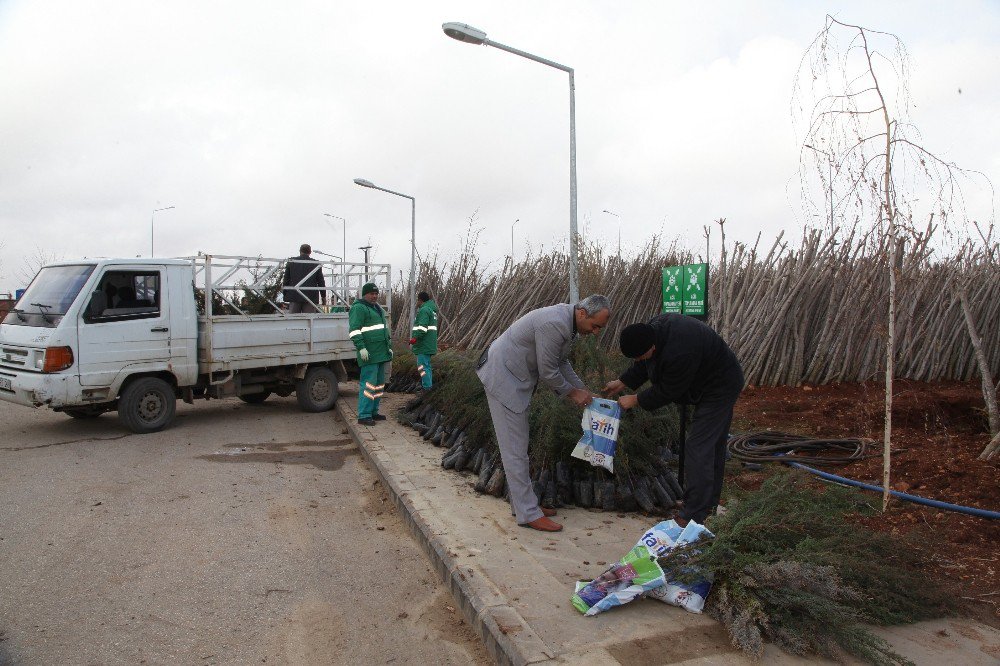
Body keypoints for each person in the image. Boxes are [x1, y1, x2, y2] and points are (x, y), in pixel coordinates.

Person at [476, 295, 611, 532]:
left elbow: (561, 363)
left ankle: (525, 506)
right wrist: (573, 393)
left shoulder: (566, 322)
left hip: (511, 375)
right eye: (595, 325)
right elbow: (548, 371)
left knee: (518, 446)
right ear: (582, 314)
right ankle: (528, 514)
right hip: (503, 379)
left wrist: (583, 391)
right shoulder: (555, 324)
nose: (597, 332)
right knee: (515, 449)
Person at [603, 314, 744, 526]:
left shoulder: (681, 350)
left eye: (640, 356)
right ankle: (706, 505)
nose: (640, 360)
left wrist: (637, 399)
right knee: (710, 447)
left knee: (699, 447)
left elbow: (669, 390)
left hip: (720, 386)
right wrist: (623, 382)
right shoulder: (652, 331)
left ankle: (694, 514)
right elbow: (645, 361)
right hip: (704, 379)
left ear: (651, 346)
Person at [349, 282, 392, 426]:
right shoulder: (359, 308)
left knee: (379, 385)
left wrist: (389, 347)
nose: (374, 296)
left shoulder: (377, 308)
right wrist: (361, 348)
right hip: (370, 354)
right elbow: (354, 330)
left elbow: (384, 330)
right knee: (368, 385)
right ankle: (364, 415)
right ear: (365, 294)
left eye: (376, 294)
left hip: (381, 353)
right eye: (372, 294)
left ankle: (374, 411)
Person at [282, 244, 326, 313]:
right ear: (310, 252)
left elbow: (286, 279)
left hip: (294, 295)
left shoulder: (291, 262)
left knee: (293, 321)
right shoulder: (316, 264)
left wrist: (285, 293)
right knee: (309, 321)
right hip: (310, 297)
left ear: (300, 251)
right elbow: (321, 281)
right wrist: (323, 296)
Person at [409, 291, 438, 390]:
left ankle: (427, 388)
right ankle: (428, 386)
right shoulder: (432, 310)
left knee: (422, 367)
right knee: (427, 366)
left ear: (420, 300)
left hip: (423, 344)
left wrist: (414, 338)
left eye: (417, 300)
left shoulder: (424, 310)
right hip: (429, 344)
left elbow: (422, 327)